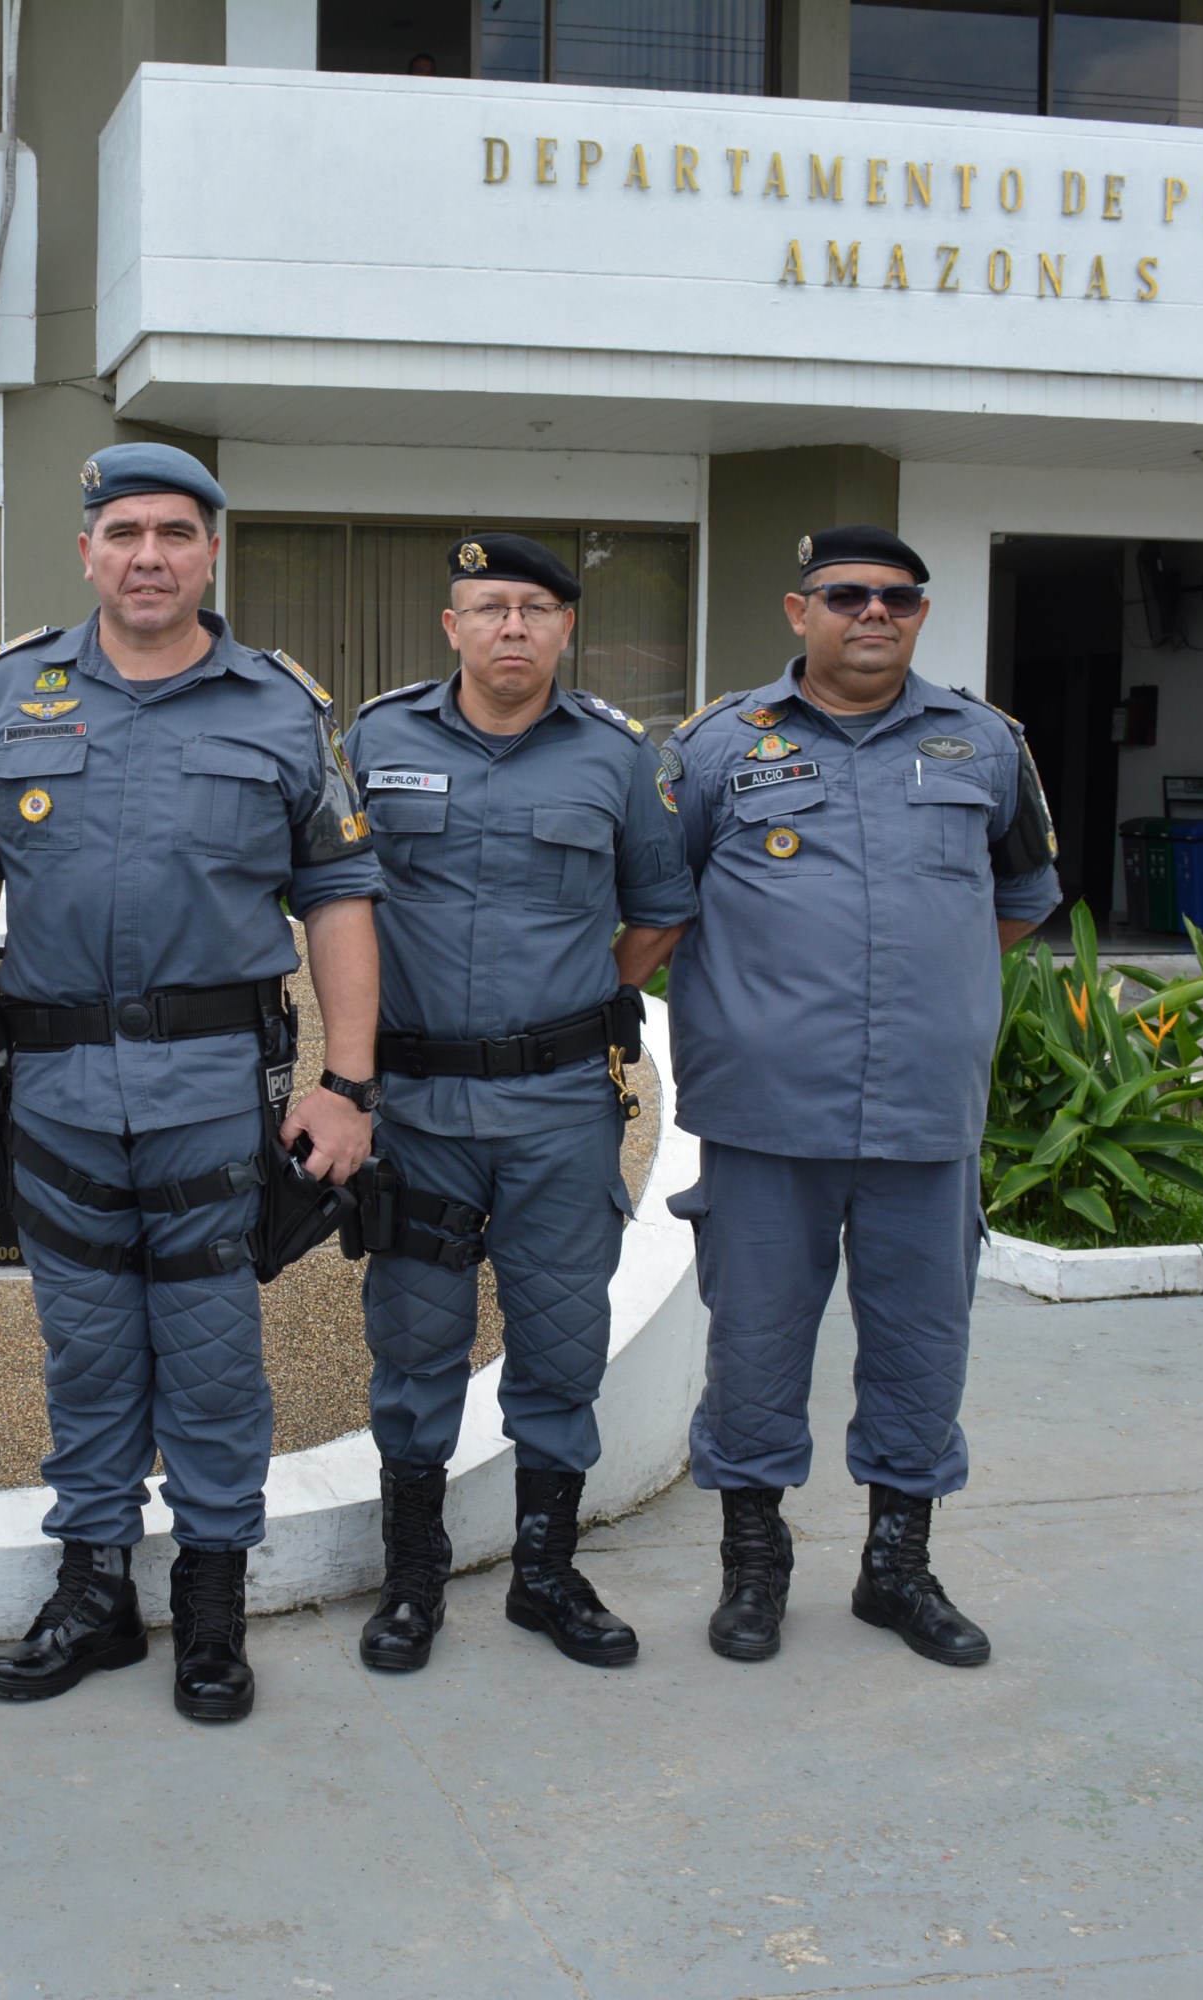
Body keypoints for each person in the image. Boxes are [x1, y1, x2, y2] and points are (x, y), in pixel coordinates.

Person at [0, 442, 384, 1724]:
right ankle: (94, 1591)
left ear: (211, 551)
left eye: (176, 532)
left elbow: (340, 893)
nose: (149, 555)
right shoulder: (10, 693)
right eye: (124, 531)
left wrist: (347, 1082)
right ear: (86, 551)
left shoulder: (280, 706)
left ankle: (214, 1604)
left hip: (212, 1089)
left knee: (213, 1353)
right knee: (85, 1350)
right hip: (60, 1085)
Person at [662, 525, 1058, 1670]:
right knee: (754, 1349)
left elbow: (1020, 896)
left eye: (897, 596)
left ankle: (897, 1567)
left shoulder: (986, 744)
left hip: (925, 1114)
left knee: (923, 1349)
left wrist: (932, 991)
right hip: (765, 1116)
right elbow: (659, 902)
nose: (873, 612)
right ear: (801, 611)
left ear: (920, 613)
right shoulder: (717, 746)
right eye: (846, 595)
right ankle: (754, 1562)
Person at [343, 532, 694, 1676]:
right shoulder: (377, 739)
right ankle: (412, 1575)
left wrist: (579, 1005)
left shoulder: (617, 756)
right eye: (489, 606)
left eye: (535, 608)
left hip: (559, 1108)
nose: (512, 626)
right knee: (415, 1341)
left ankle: (546, 1570)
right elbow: (332, 898)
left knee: (561, 1339)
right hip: (417, 1106)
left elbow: (660, 907)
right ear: (451, 625)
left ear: (565, 628)